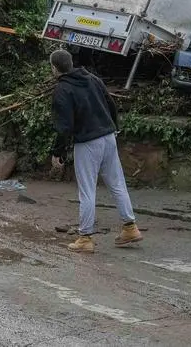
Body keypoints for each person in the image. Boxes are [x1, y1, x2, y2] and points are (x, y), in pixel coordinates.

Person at [49, 49, 143, 254]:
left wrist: (58, 152)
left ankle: (85, 238)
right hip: (108, 136)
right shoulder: (92, 79)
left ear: (54, 68)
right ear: (71, 63)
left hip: (87, 142)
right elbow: (111, 104)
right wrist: (114, 128)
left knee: (87, 190)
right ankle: (130, 227)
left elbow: (64, 126)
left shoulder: (62, 90)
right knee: (117, 183)